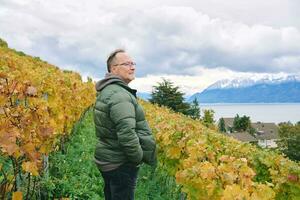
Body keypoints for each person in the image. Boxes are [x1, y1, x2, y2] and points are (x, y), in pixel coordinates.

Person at [93, 49, 157, 200]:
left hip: (109, 158)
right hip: (120, 163)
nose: (132, 67)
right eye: (127, 64)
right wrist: (137, 158)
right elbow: (127, 133)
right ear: (113, 69)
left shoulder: (111, 90)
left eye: (133, 63)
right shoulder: (120, 95)